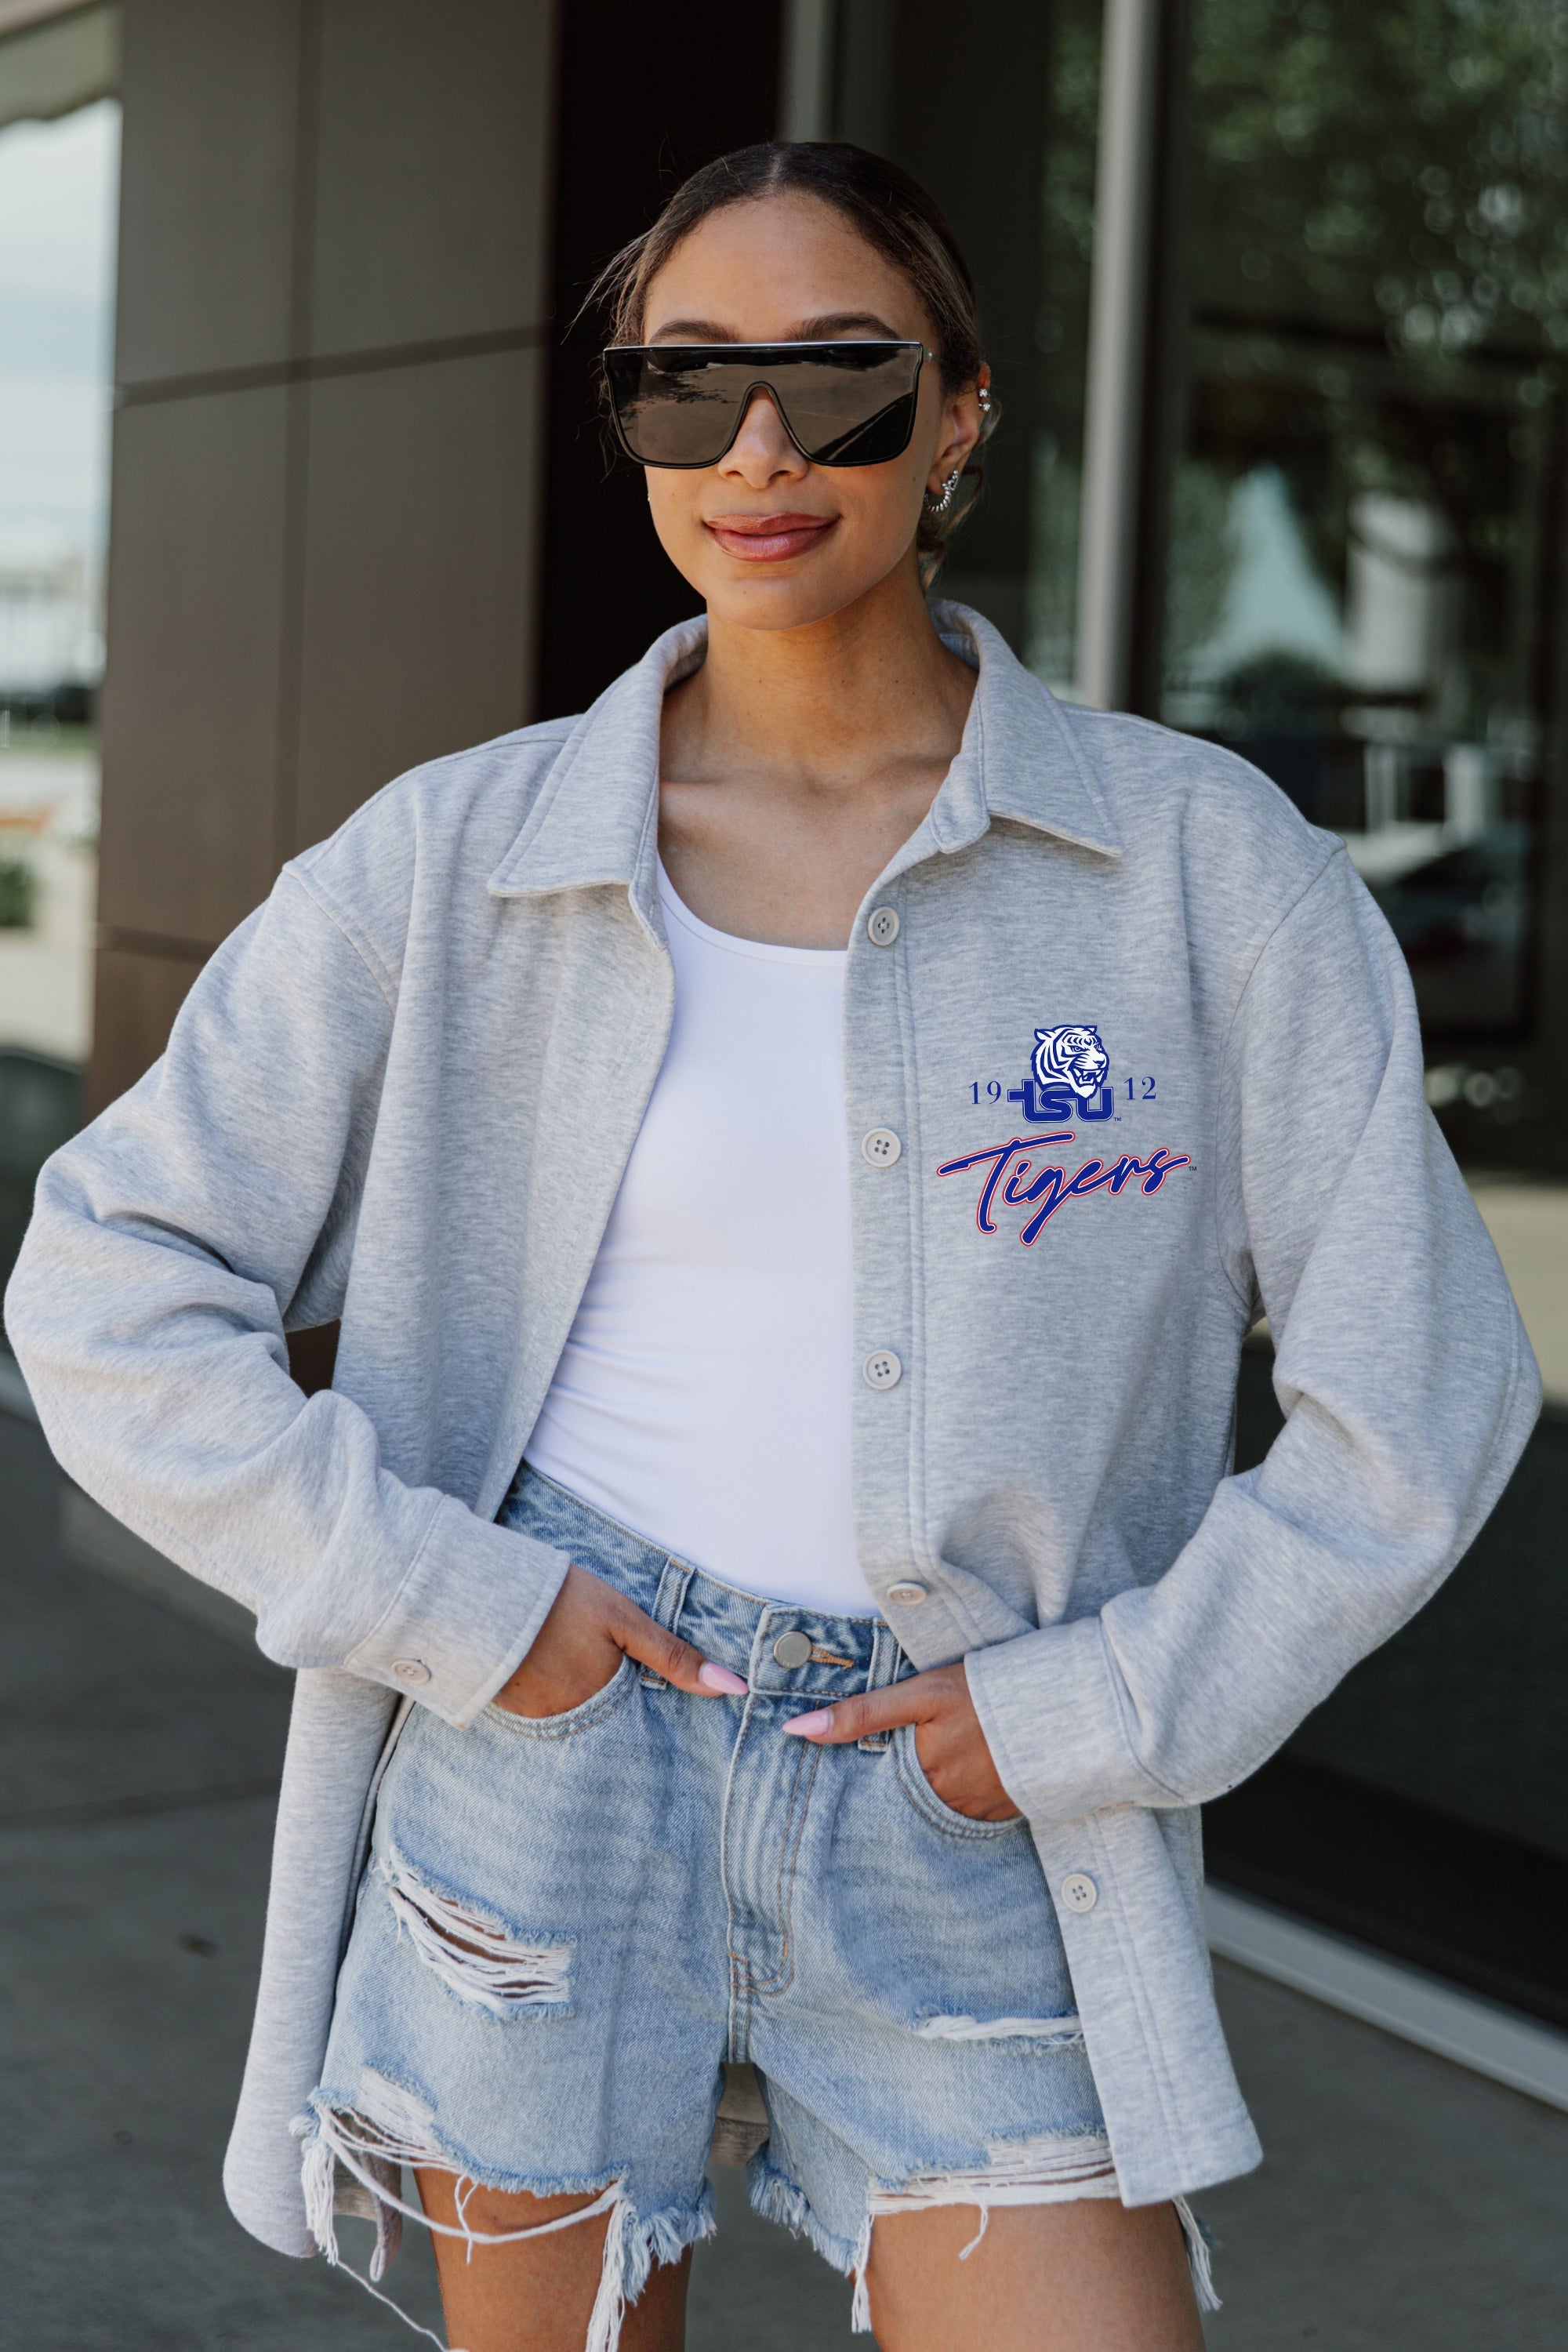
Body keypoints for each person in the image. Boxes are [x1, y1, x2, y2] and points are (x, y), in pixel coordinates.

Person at [5, 141, 1538, 2352]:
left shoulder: (1198, 870)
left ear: (962, 413)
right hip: (549, 1754)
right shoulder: (461, 857)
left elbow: (1425, 1394)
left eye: (838, 381)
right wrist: (455, 1604)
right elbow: (106, 1280)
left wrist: (1101, 1709)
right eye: (681, 385)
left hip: (976, 1788)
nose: (756, 450)